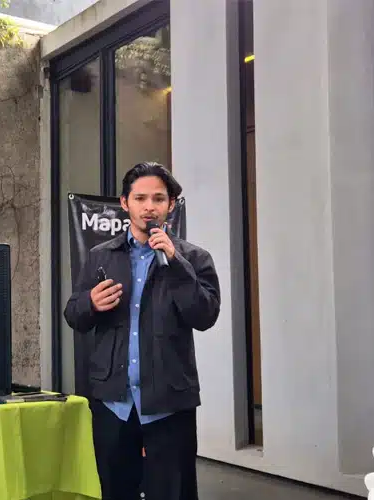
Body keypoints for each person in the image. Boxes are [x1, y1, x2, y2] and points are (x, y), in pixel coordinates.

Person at [63, 162, 221, 500]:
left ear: (171, 205)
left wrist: (177, 264)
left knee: (172, 492)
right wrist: (90, 302)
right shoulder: (99, 257)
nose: (149, 207)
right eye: (140, 198)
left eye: (158, 199)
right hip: (114, 401)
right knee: (116, 490)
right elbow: (74, 316)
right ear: (125, 203)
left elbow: (205, 315)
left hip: (168, 400)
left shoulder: (194, 258)